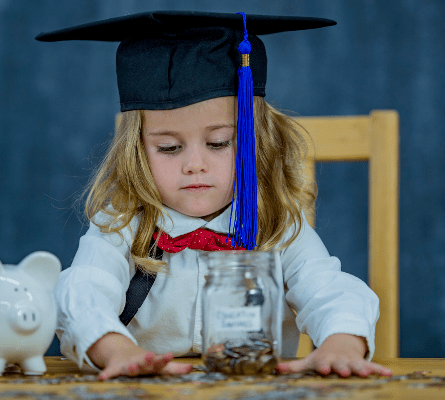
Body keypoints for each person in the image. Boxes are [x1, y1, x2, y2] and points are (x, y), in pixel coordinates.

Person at [36, 11, 393, 380]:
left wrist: (341, 345)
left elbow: (331, 291)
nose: (194, 164)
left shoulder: (276, 225)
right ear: (138, 150)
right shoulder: (123, 222)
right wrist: (115, 348)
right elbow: (82, 289)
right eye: (170, 147)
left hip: (251, 389)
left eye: (219, 142)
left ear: (257, 140)